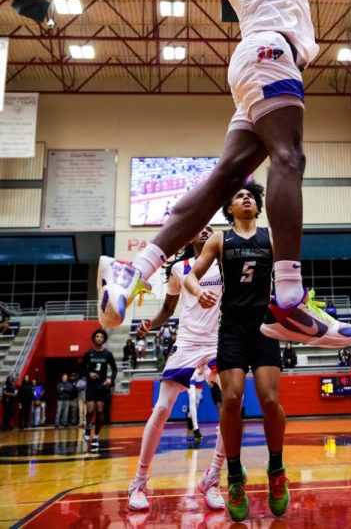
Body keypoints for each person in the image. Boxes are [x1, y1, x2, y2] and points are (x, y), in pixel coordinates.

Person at [96, 0, 351, 353]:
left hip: (260, 67)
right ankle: (288, 299)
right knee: (290, 159)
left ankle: (137, 267)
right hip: (268, 53)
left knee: (224, 178)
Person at [184, 182, 289, 521]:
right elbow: (190, 276)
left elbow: (291, 275)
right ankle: (233, 475)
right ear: (228, 209)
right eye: (239, 196)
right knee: (231, 401)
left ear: (258, 207)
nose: (246, 199)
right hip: (231, 327)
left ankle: (276, 468)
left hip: (264, 325)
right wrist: (197, 290)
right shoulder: (219, 240)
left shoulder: (272, 237)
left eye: (251, 197)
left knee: (270, 401)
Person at [128, 225, 226, 512]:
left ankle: (213, 478)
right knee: (161, 408)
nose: (206, 230)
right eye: (201, 228)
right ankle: (139, 482)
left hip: (216, 344)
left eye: (211, 228)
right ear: (190, 237)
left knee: (235, 403)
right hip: (185, 343)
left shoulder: (225, 266)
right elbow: (168, 310)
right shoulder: (179, 269)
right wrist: (150, 323)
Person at [82, 328, 117, 451]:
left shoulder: (108, 354)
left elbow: (114, 370)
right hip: (91, 386)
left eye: (101, 337)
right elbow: (81, 369)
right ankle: (87, 428)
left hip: (102, 386)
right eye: (97, 336)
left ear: (104, 340)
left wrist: (110, 380)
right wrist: (89, 374)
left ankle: (96, 436)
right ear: (93, 339)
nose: (99, 338)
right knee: (91, 410)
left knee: (100, 412)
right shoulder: (88, 353)